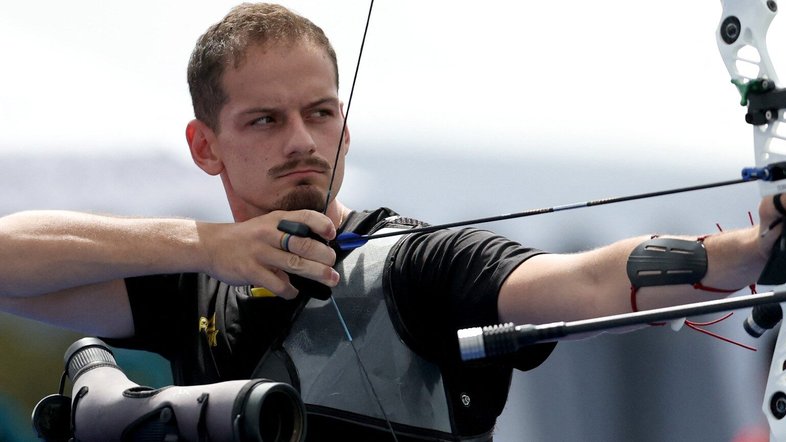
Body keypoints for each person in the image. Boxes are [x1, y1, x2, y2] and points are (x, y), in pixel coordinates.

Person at [0, 3, 781, 441]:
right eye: (266, 120)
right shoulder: (199, 287)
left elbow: (583, 279)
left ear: (347, 121)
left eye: (320, 112)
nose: (303, 141)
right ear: (205, 147)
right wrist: (209, 244)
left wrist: (749, 250)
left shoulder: (419, 263)